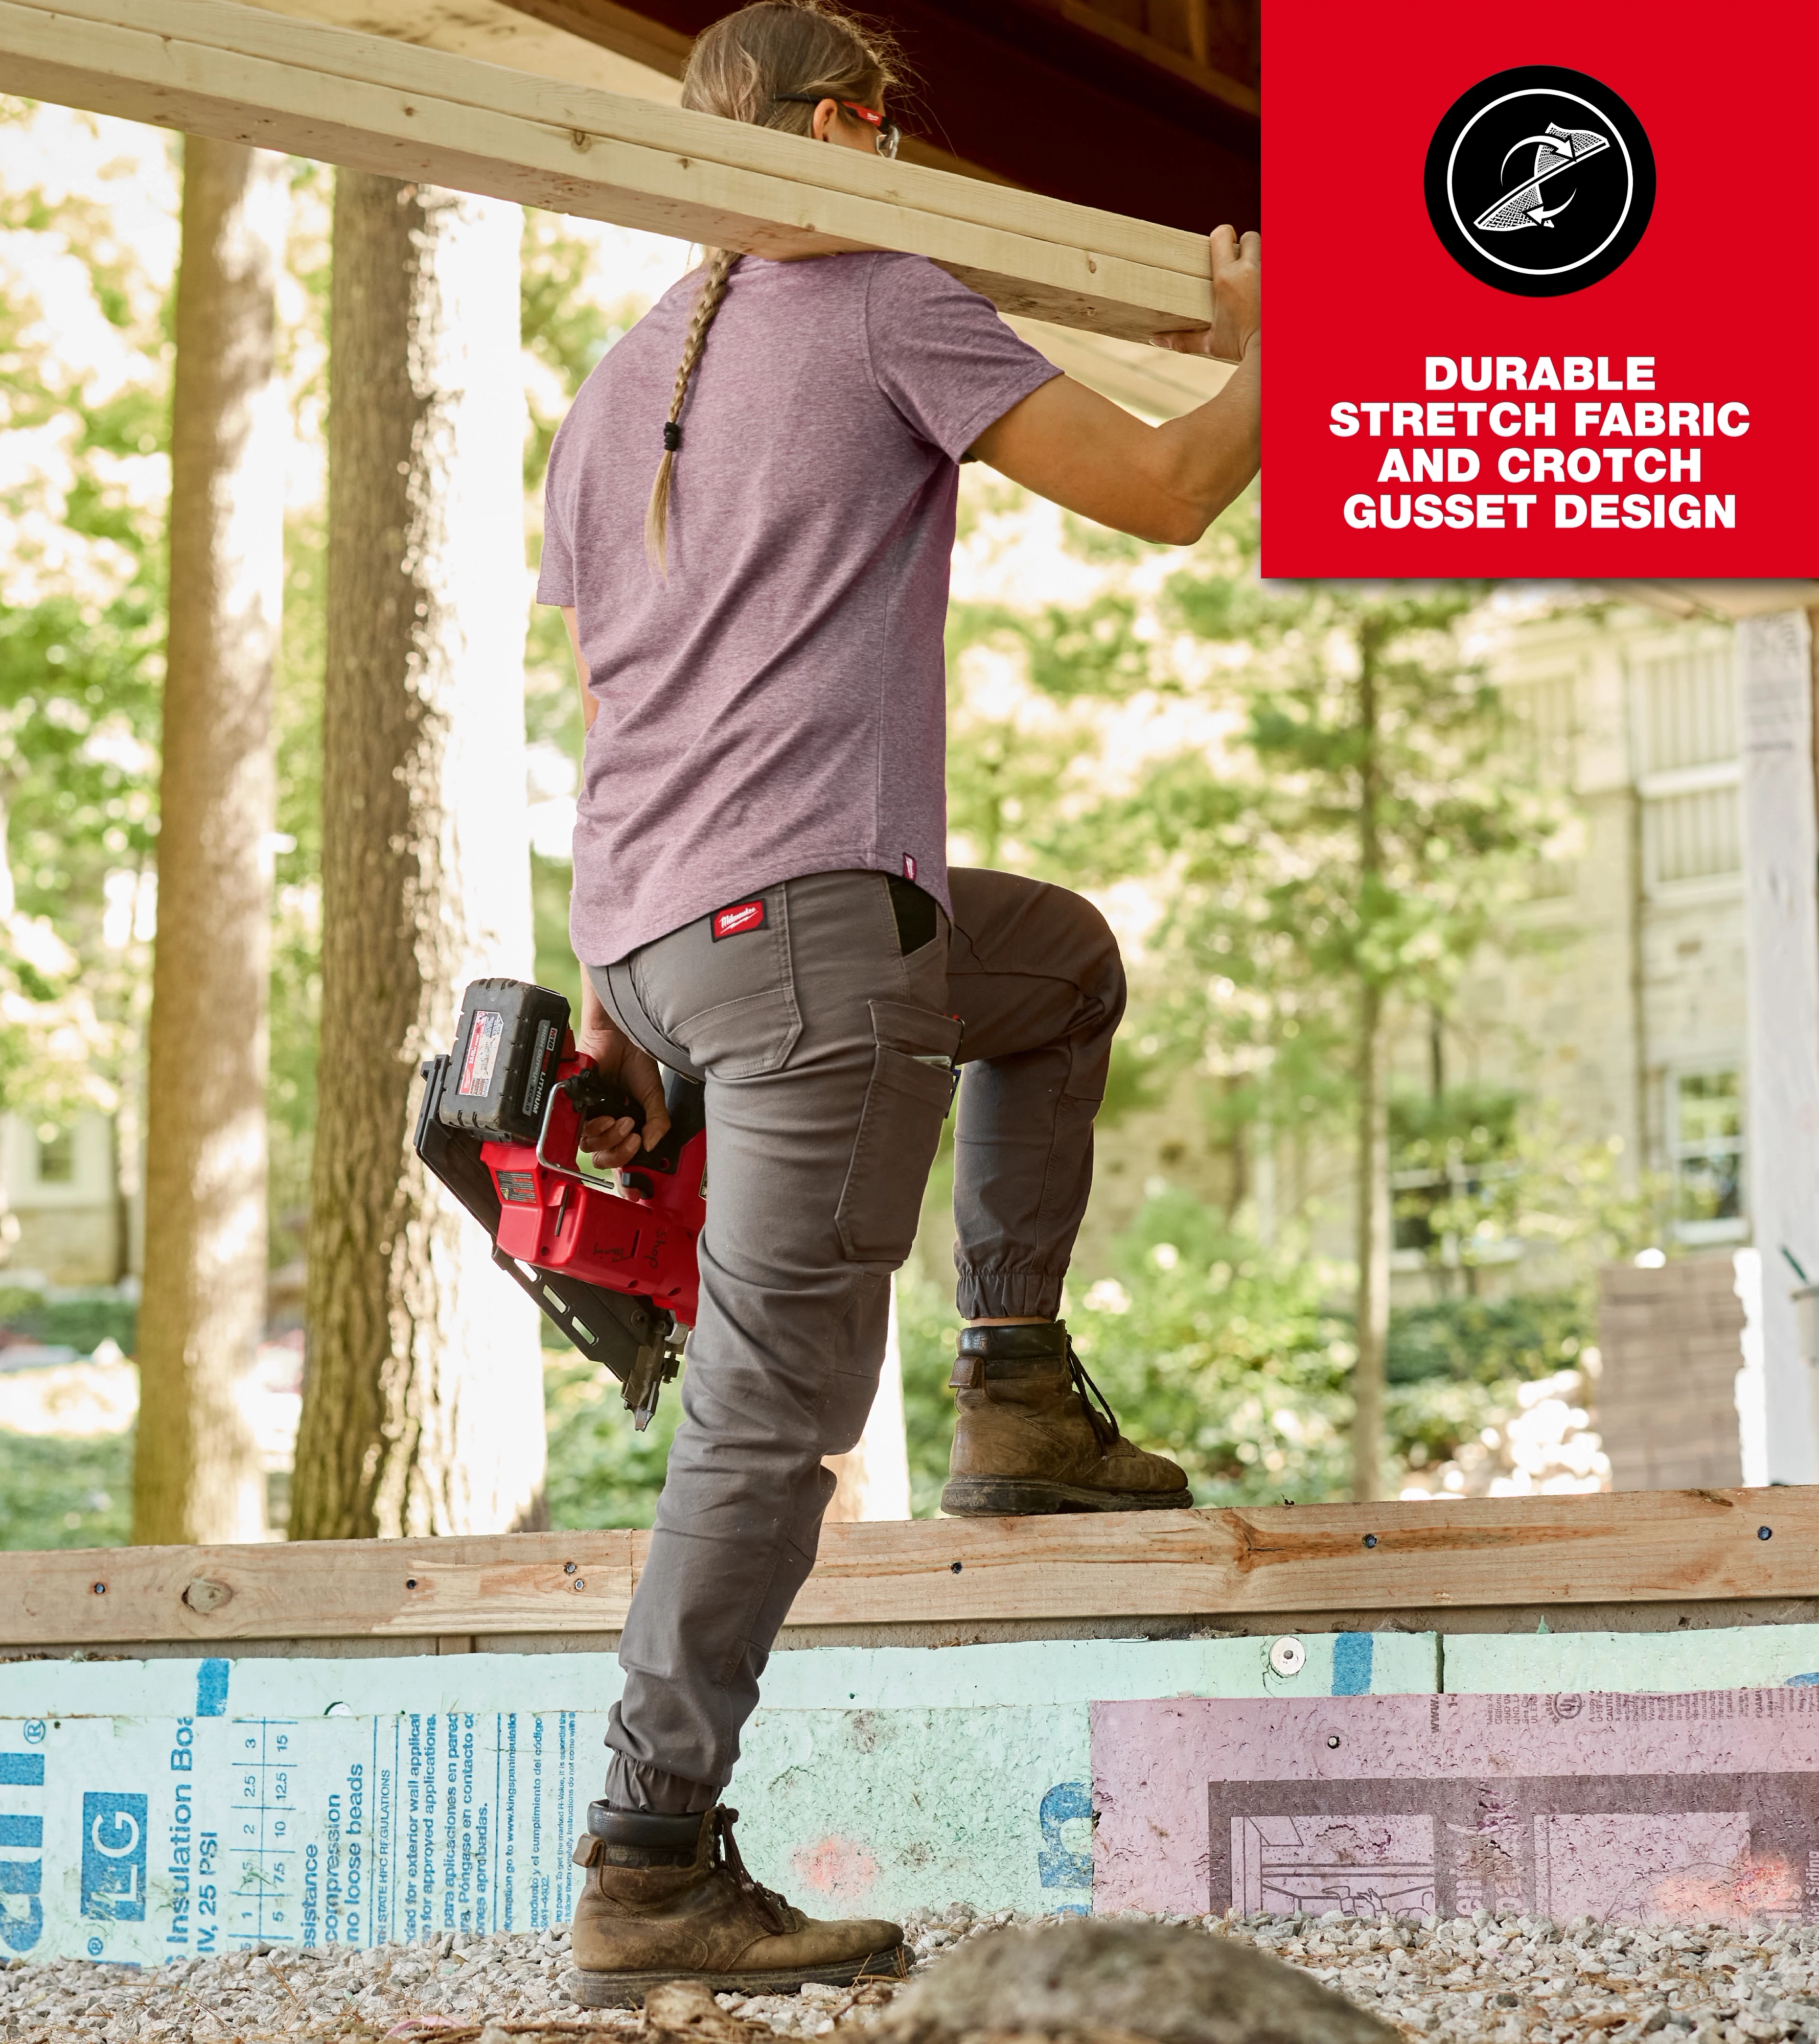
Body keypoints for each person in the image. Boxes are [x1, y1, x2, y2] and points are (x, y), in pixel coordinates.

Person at [535, 0, 1260, 2005]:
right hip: (808, 955)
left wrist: (608, 983)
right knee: (764, 1428)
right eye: (882, 130)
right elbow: (1168, 492)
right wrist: (1279, 346)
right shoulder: (874, 299)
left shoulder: (611, 384)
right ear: (849, 128)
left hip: (669, 949)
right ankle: (649, 1859)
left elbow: (610, 711)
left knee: (1056, 966)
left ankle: (1015, 1385)